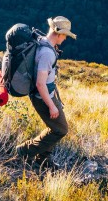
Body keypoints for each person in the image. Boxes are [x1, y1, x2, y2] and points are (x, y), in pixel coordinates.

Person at [13, 16, 76, 166]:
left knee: (55, 127)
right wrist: (51, 105)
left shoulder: (43, 41)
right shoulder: (47, 53)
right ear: (59, 33)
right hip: (42, 97)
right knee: (60, 130)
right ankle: (24, 151)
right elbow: (40, 84)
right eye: (65, 35)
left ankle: (44, 159)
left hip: (48, 94)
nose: (65, 39)